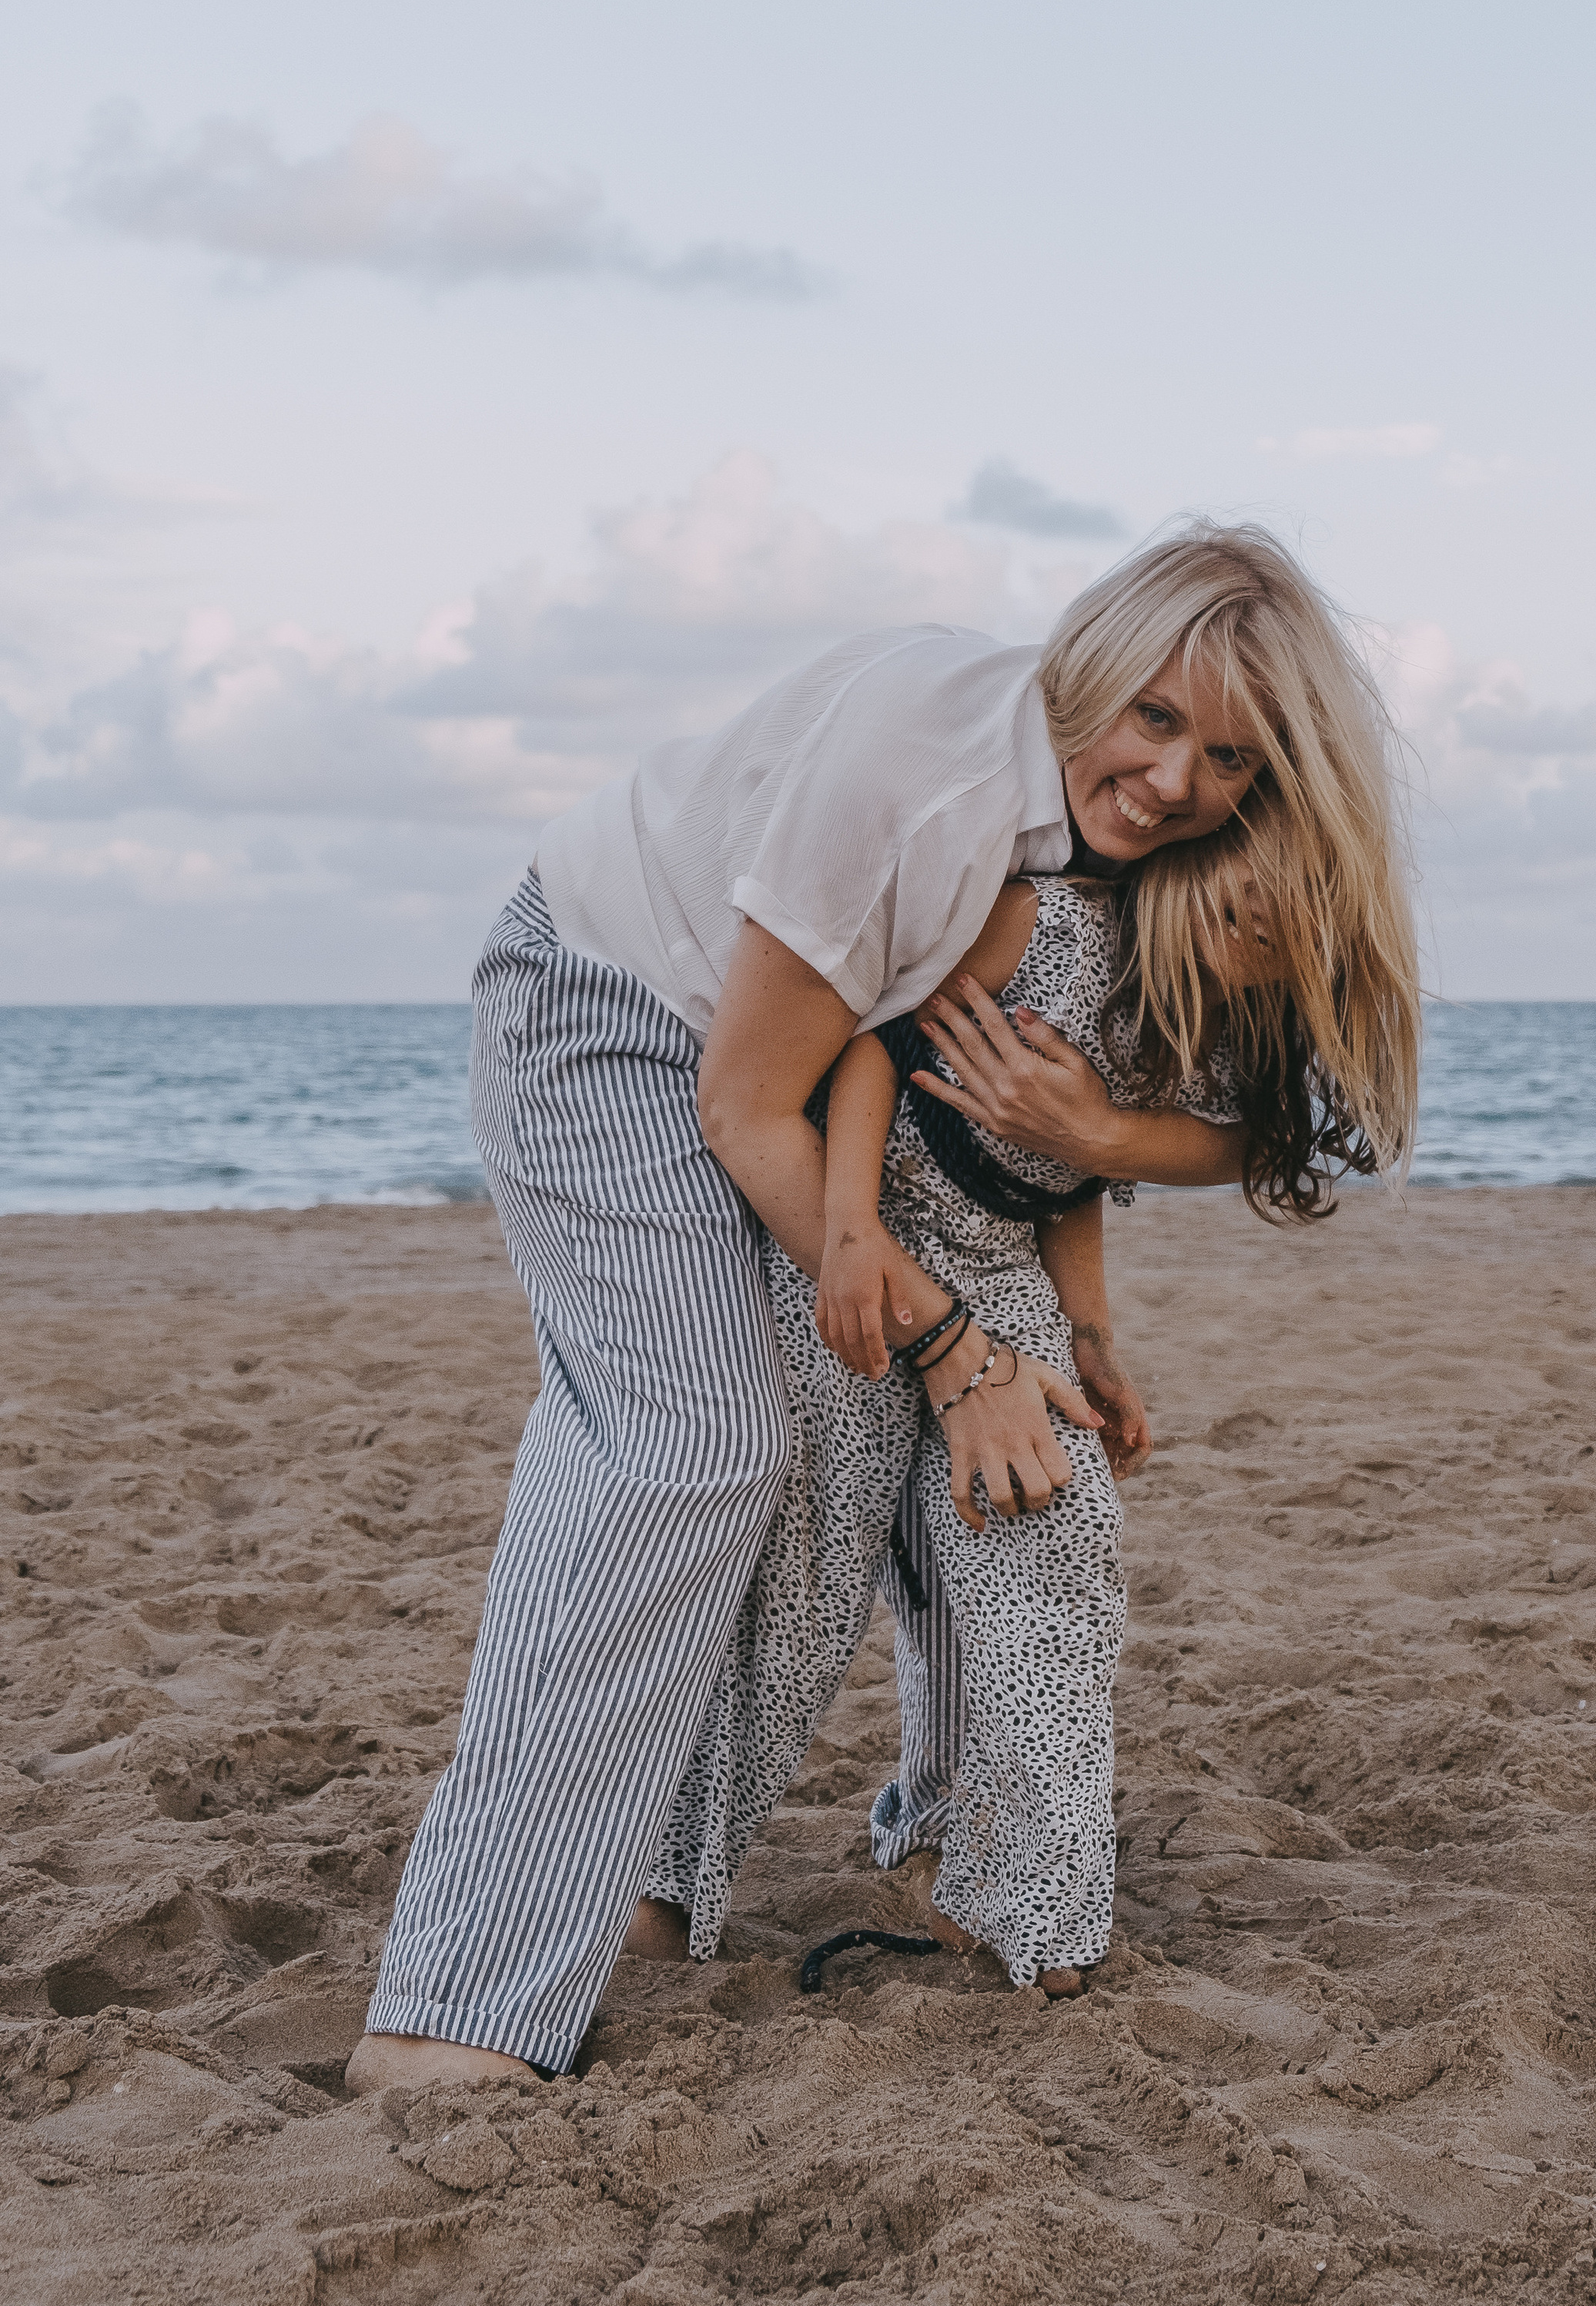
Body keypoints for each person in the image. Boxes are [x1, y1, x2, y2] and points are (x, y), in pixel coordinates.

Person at [346, 522, 1419, 2090]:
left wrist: (1075, 1294)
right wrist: (951, 1351)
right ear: (1093, 663)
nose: (1179, 781)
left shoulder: (1112, 851)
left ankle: (903, 1855)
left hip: (762, 1076)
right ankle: (452, 2013)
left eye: (1231, 759)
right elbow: (751, 1104)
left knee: (853, 1483)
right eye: (1154, 719)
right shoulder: (924, 781)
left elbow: (1029, 1104)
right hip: (615, 1004)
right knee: (687, 1452)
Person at [644, 790, 1396, 2000]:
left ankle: (1026, 1900)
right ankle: (665, 1885)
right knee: (807, 1576)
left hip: (1003, 1271)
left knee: (1055, 1537)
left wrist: (1092, 1342)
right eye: (1243, 901)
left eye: (1280, 939)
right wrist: (843, 1235)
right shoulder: (1035, 921)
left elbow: (1064, 1181)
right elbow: (872, 1047)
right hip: (860, 1251)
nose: (1250, 935)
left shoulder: (1199, 1038)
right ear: (1198, 862)